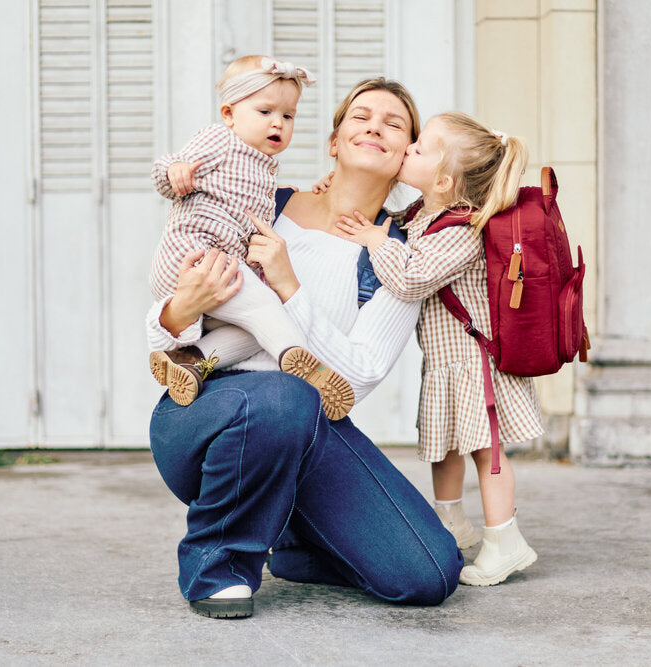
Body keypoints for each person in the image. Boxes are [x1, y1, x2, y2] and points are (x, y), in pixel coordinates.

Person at [145, 78, 464, 619]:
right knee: (283, 395)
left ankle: (292, 537)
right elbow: (160, 337)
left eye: (394, 124)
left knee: (430, 573)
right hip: (204, 415)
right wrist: (181, 309)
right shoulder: (260, 204)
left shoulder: (396, 258)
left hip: (310, 425)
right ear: (334, 141)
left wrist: (289, 285)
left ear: (405, 157)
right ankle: (216, 569)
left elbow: (356, 378)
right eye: (361, 116)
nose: (375, 127)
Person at [335, 111, 544, 586]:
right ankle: (451, 521)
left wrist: (375, 240)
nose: (407, 148)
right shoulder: (423, 214)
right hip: (446, 363)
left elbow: (410, 279)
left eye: (419, 148)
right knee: (444, 445)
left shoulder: (461, 232)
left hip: (476, 365)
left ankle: (505, 541)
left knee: (487, 453)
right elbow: (397, 227)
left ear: (445, 181)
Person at [147, 54, 353, 421]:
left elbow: (253, 199)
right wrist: (175, 171)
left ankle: (191, 362)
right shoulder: (219, 140)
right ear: (229, 114)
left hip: (214, 267)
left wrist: (314, 189)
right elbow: (166, 168)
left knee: (253, 329)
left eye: (288, 116)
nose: (278, 123)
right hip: (196, 253)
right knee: (267, 308)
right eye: (265, 112)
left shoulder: (263, 166)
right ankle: (304, 364)